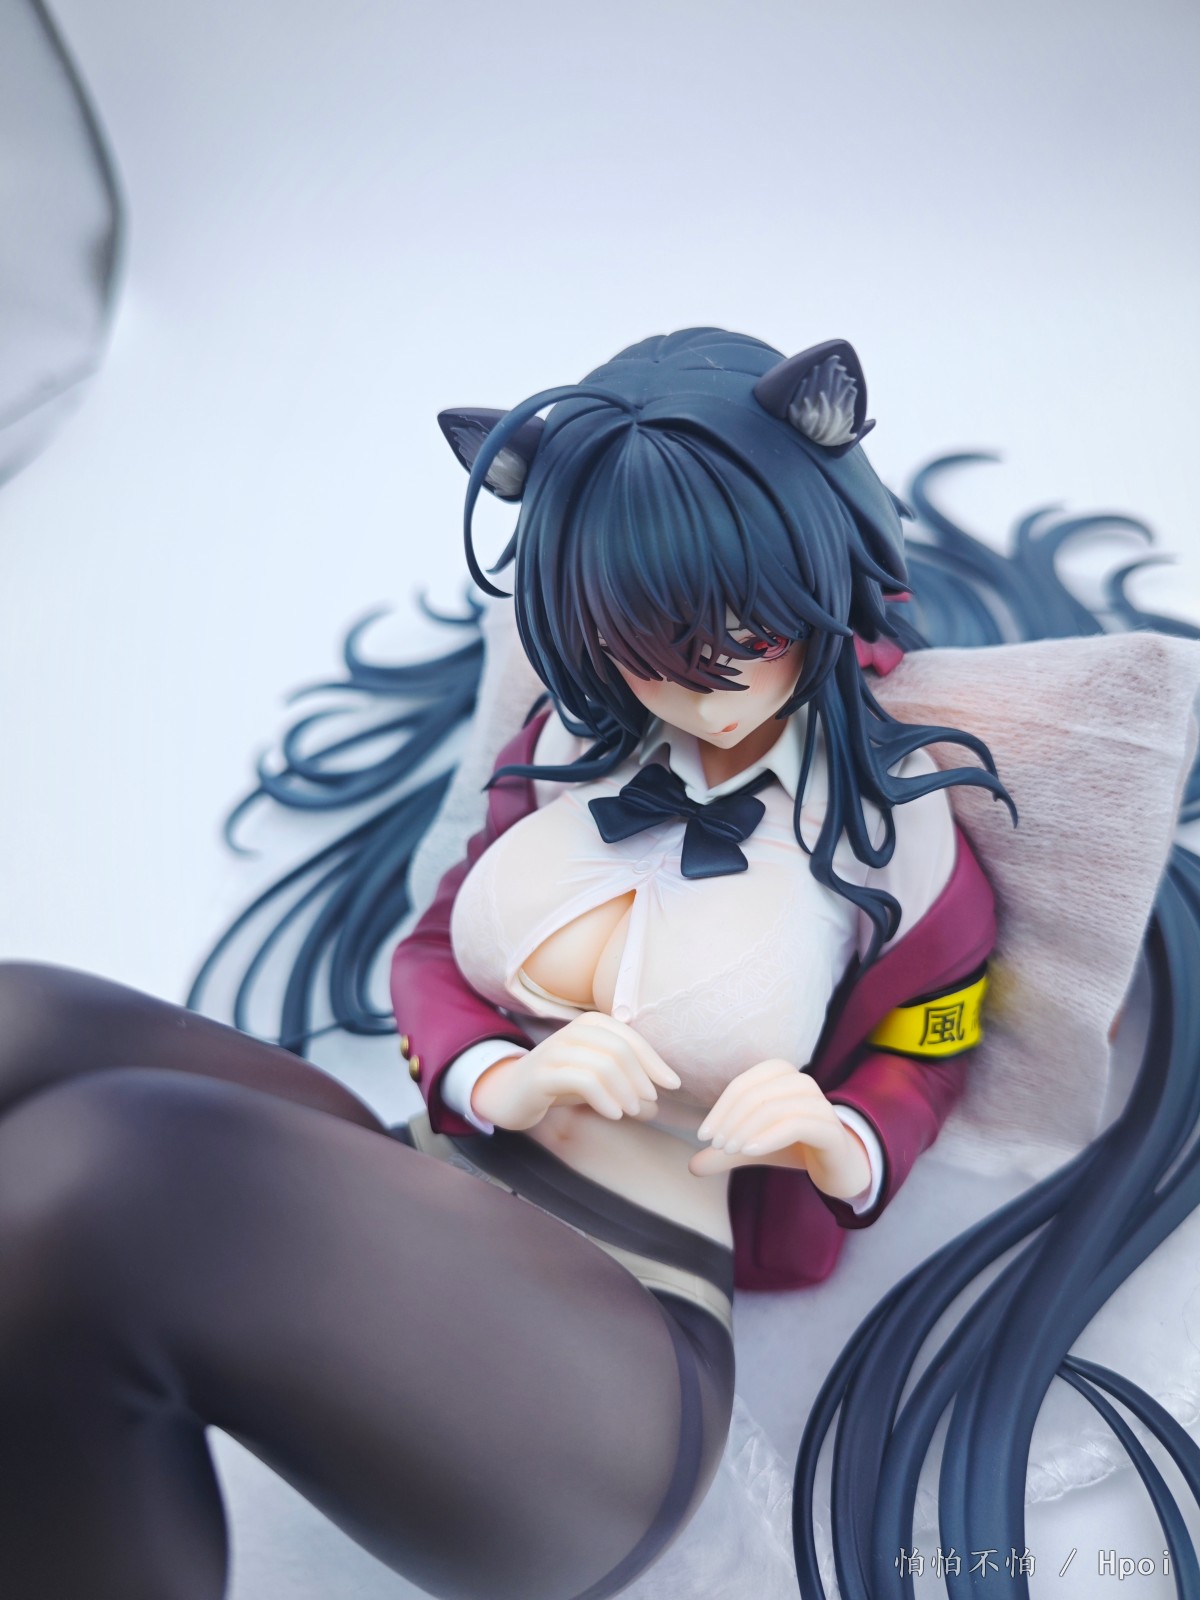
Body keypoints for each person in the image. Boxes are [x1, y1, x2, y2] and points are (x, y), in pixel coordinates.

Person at [0, 329, 1196, 1600]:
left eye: (748, 630)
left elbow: (931, 1038)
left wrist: (842, 1133)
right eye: (645, 644)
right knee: (22, 1021)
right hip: (430, 1175)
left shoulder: (890, 833)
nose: (703, 686)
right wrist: (495, 1074)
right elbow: (435, 950)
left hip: (616, 1342)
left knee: (99, 1177)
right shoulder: (567, 749)